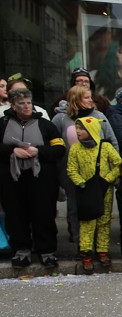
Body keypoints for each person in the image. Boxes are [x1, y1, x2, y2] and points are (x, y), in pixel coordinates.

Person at [0, 88, 65, 269]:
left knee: (43, 215)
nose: (27, 106)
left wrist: (39, 151)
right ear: (13, 105)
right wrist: (12, 151)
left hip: (42, 181)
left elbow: (59, 149)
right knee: (16, 216)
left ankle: (47, 252)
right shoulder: (2, 124)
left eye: (29, 102)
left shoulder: (46, 125)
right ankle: (21, 252)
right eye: (22, 103)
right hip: (12, 181)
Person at [53, 84, 121, 244]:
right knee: (75, 209)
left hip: (100, 172)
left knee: (100, 209)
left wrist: (114, 170)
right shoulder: (61, 119)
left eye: (91, 97)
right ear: (75, 99)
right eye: (86, 97)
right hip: (72, 173)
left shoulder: (99, 116)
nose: (91, 100)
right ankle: (81, 245)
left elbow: (112, 142)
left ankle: (100, 246)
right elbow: (55, 145)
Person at [67, 116, 122, 273]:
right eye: (77, 128)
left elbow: (119, 164)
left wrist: (108, 179)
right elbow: (71, 169)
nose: (78, 132)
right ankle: (86, 253)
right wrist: (80, 182)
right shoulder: (75, 149)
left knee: (104, 220)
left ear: (91, 130)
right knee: (87, 221)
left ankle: (102, 250)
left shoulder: (105, 147)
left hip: (104, 189)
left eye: (82, 129)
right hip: (86, 189)